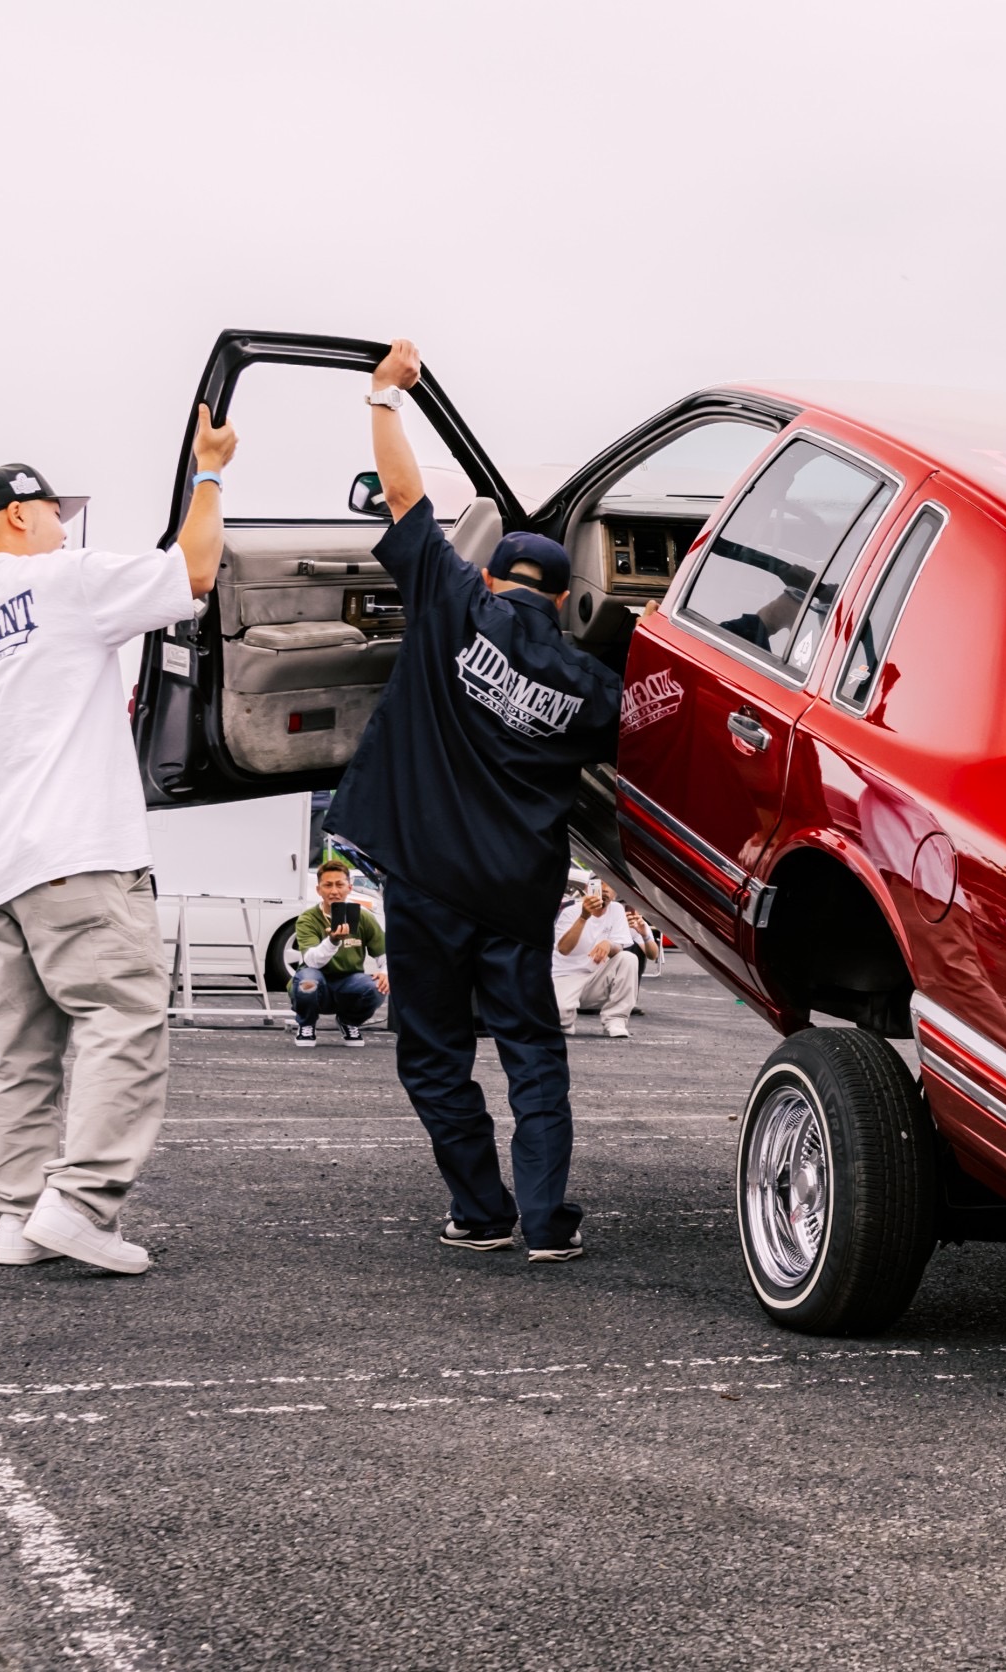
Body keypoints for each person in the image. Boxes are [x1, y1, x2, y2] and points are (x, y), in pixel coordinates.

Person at [0, 418, 237, 1274]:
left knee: (20, 1057)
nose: (66, 526)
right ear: (20, 516)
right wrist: (208, 474)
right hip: (81, 853)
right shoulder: (62, 580)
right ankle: (82, 1203)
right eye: (57, 511)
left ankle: (19, 1218)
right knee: (122, 1020)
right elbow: (195, 571)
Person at [324, 340, 622, 1265]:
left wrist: (385, 399)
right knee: (532, 1049)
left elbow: (408, 500)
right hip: (515, 893)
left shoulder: (455, 605)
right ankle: (547, 1221)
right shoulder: (591, 689)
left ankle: (480, 1211)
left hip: (424, 882)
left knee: (434, 1053)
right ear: (567, 598)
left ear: (494, 575)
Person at [288, 856, 388, 1046]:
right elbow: (311, 962)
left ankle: (349, 1021)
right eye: (328, 885)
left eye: (339, 885)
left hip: (348, 982)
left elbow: (385, 955)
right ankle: (306, 1024)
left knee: (377, 986)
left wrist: (385, 973)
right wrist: (333, 941)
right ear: (319, 890)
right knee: (307, 981)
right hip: (316, 981)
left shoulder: (363, 917)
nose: (334, 891)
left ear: (349, 888)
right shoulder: (307, 919)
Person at [552, 869, 659, 1038]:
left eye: (610, 885)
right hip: (566, 976)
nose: (605, 889)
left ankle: (615, 1020)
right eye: (599, 883)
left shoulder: (617, 911)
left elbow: (622, 948)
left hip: (596, 978)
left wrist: (609, 944)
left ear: (616, 893)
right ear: (588, 889)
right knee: (560, 1019)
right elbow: (564, 949)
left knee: (628, 958)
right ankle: (564, 1020)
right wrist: (583, 917)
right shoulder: (571, 912)